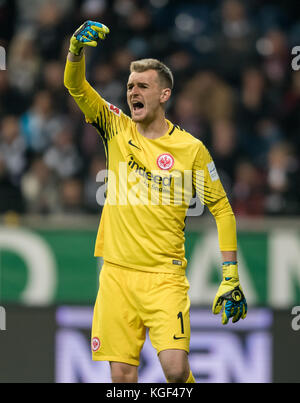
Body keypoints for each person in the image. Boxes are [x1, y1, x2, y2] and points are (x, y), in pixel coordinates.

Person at [64, 21, 247, 383]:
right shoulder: (115, 127)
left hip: (165, 276)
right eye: (130, 86)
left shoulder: (191, 149)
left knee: (177, 372)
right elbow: (75, 85)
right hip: (116, 273)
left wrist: (230, 275)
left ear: (163, 95)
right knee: (122, 379)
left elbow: (222, 210)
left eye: (142, 86)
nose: (133, 91)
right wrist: (75, 51)